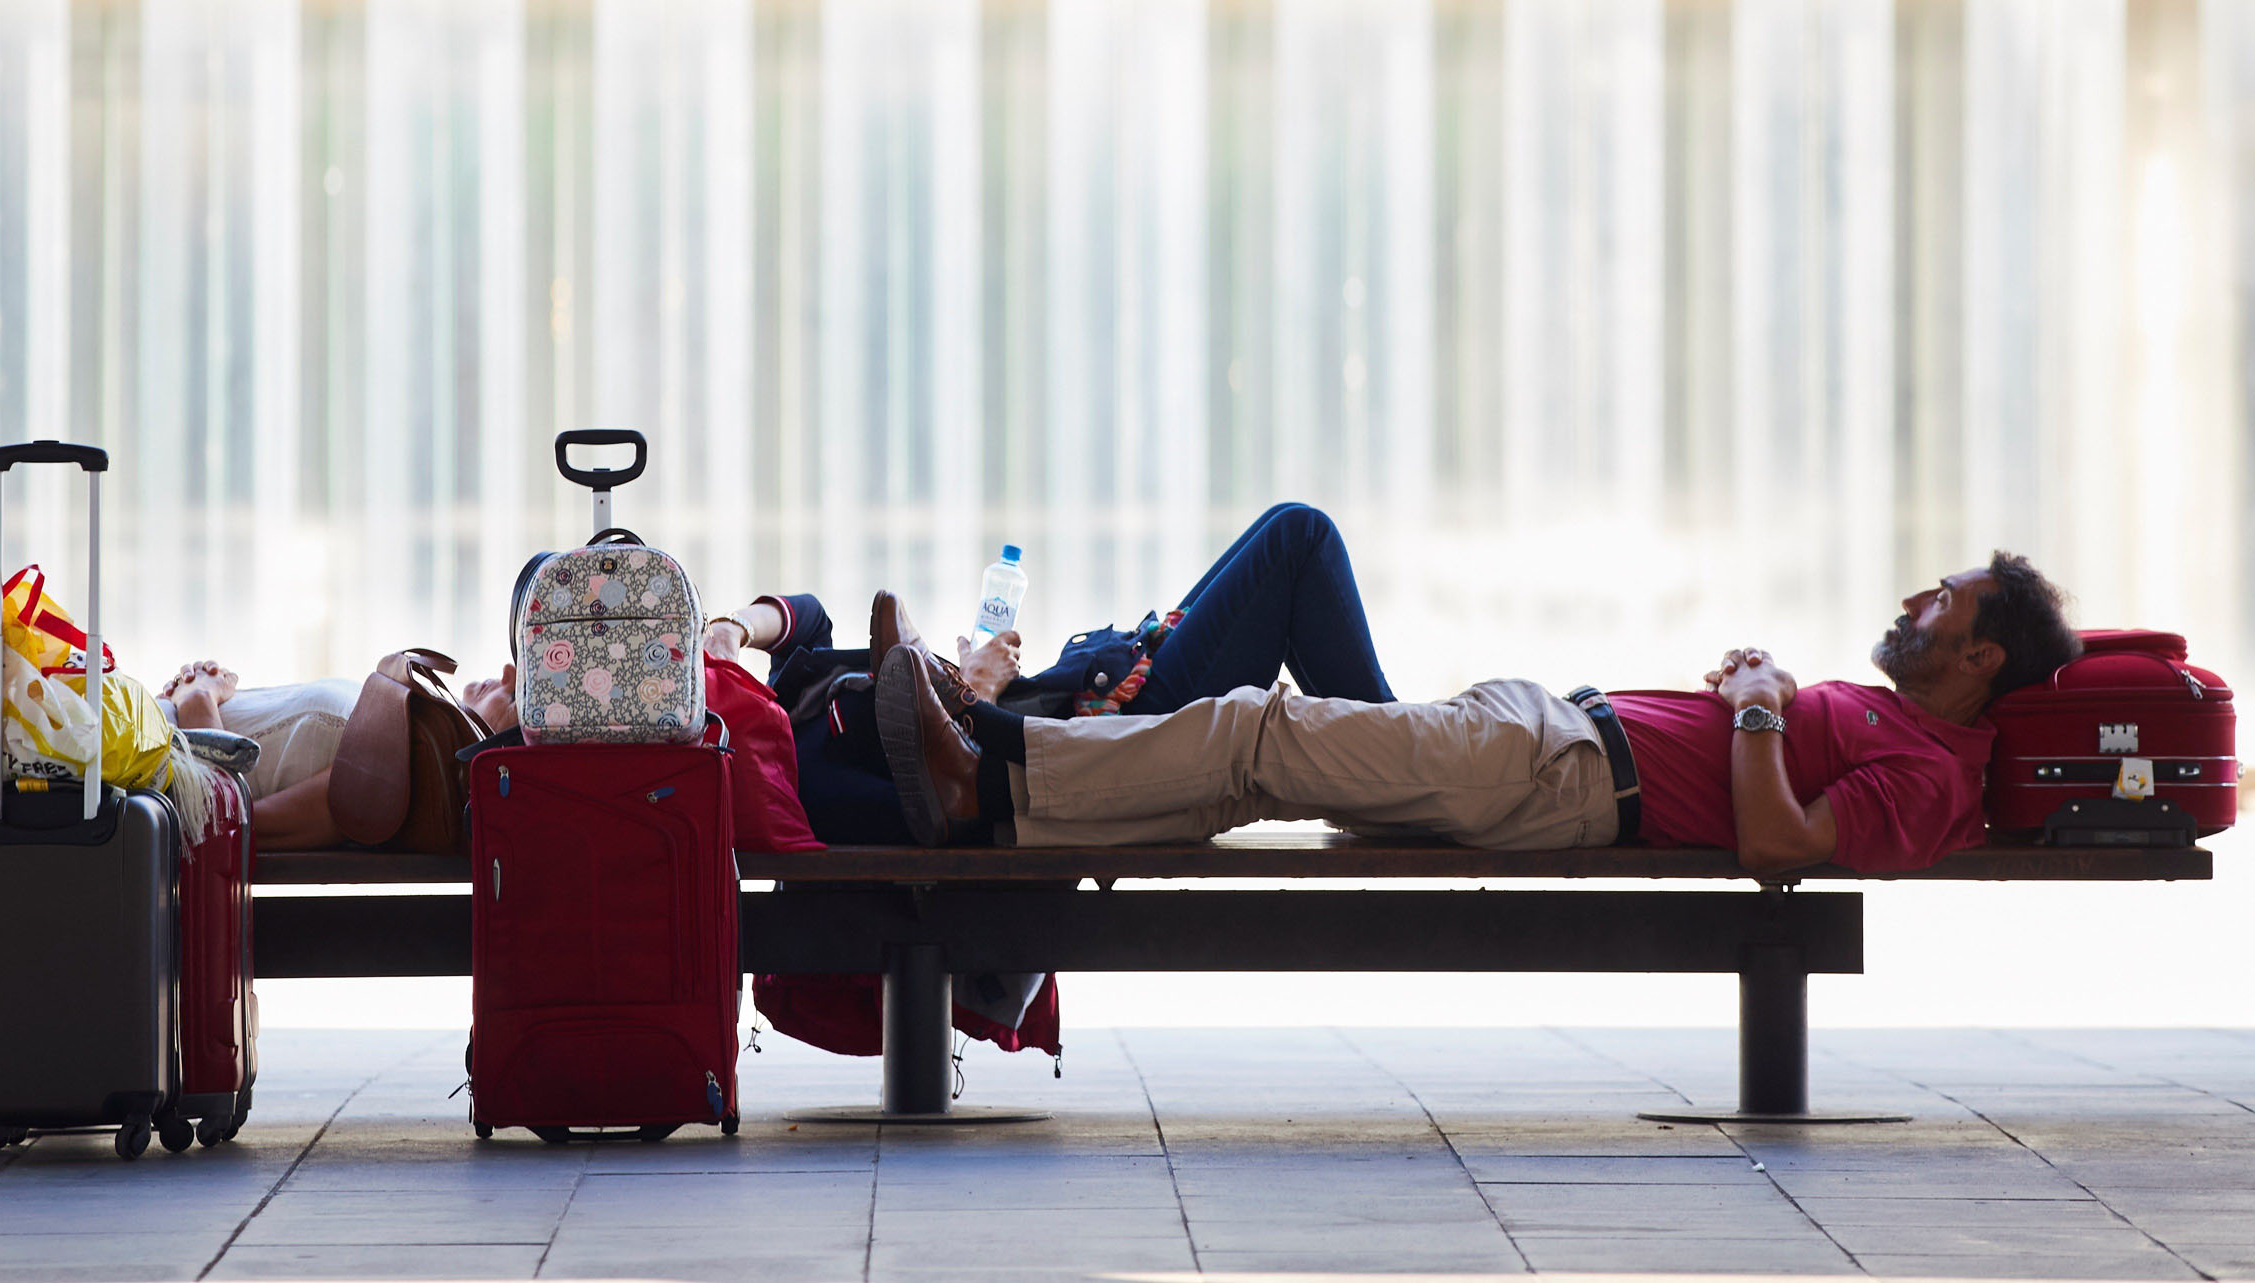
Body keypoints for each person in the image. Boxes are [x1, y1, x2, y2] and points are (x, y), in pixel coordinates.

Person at [871, 551, 2082, 875]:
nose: (1915, 602)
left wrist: (1761, 709)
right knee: (1252, 768)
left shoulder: (1935, 775)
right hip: (1547, 738)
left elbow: (1777, 844)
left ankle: (986, 754)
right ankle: (998, 804)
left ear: (1980, 657)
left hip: (1557, 773)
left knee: (1257, 731)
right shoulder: (1902, 722)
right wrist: (1754, 691)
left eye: (1942, 602)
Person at [706, 503, 1393, 846]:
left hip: (1097, 698)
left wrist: (729, 630)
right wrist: (970, 695)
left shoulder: (792, 694)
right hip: (1108, 745)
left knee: (1284, 525)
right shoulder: (795, 772)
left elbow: (806, 615)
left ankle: (1403, 753)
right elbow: (930, 811)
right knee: (1298, 537)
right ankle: (1409, 763)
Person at [0, 659, 427, 857]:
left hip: (69, 775)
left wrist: (198, 703)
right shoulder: (392, 719)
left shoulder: (387, 781)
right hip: (85, 734)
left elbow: (233, 818)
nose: (480, 678)